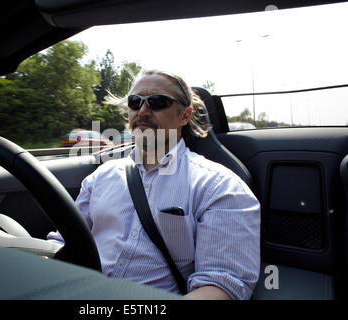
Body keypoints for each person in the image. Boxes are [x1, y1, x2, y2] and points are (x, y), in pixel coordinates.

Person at [48, 69, 260, 300]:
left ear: (185, 115)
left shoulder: (219, 186)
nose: (143, 111)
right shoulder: (100, 177)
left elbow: (222, 287)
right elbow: (62, 245)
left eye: (157, 102)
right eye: (135, 102)